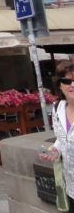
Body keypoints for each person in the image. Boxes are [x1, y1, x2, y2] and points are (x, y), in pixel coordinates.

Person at [40, 60, 74, 199]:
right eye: (67, 81)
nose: (72, 85)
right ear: (60, 85)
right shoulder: (57, 109)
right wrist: (55, 149)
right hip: (71, 185)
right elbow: (62, 139)